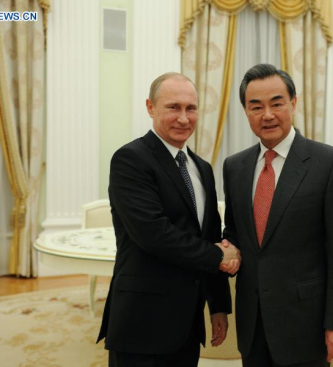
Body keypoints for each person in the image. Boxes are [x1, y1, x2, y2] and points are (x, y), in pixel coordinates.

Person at [97, 72, 241, 367]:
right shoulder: (130, 159)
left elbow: (210, 234)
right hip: (142, 320)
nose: (184, 118)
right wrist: (220, 255)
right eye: (173, 107)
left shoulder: (202, 168)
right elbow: (154, 233)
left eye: (191, 108)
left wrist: (218, 306)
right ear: (150, 107)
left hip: (187, 323)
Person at [222, 64, 333, 367]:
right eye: (256, 106)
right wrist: (227, 246)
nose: (267, 114)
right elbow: (235, 229)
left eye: (277, 103)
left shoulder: (330, 163)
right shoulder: (235, 167)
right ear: (246, 111)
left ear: (293, 104)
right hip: (252, 317)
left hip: (305, 320)